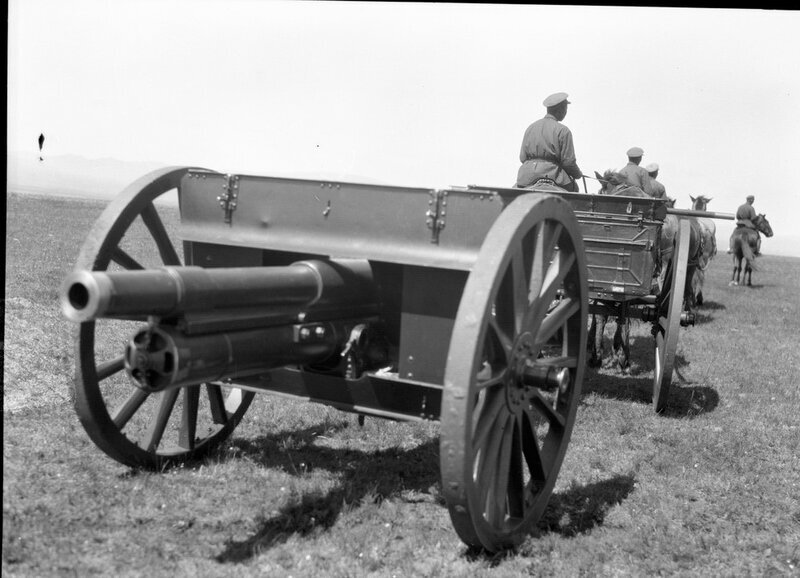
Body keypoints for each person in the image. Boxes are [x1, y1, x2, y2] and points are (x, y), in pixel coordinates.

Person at [516, 92, 583, 192]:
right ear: (561, 110)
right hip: (554, 176)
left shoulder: (531, 128)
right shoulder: (563, 131)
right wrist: (578, 174)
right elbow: (568, 162)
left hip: (527, 177)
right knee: (576, 193)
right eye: (565, 109)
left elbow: (522, 158)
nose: (565, 112)